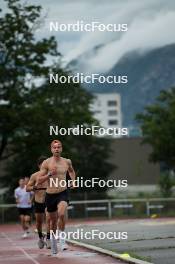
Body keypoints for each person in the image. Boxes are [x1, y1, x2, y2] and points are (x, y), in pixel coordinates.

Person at [37, 140, 76, 256]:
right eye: (54, 147)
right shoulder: (46, 163)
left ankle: (63, 241)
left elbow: (72, 171)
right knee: (52, 222)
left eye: (58, 147)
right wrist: (49, 174)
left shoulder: (67, 161)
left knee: (62, 213)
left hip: (62, 192)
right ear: (51, 149)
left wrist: (73, 181)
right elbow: (39, 180)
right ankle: (54, 242)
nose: (57, 149)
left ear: (61, 149)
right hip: (50, 194)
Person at [26, 156, 51, 249]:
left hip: (48, 200)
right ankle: (41, 237)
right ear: (39, 165)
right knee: (38, 222)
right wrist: (33, 187)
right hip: (38, 202)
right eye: (43, 164)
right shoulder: (34, 176)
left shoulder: (50, 175)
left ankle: (48, 239)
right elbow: (27, 188)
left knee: (48, 219)